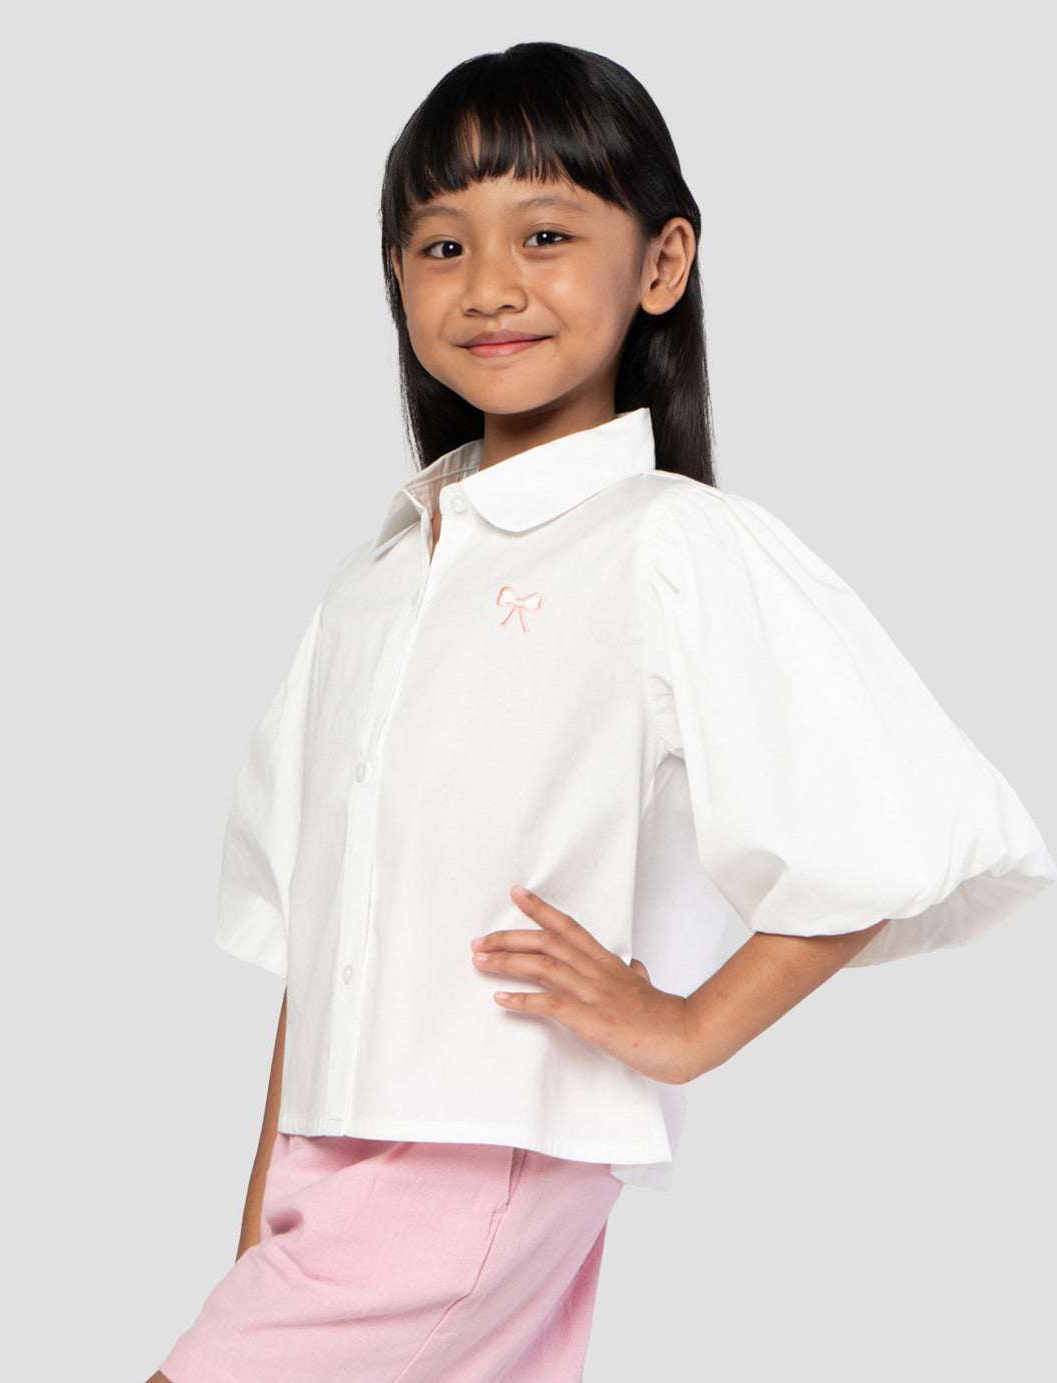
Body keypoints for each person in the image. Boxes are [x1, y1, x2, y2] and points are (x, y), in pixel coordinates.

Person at [148, 40, 1055, 1383]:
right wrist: (257, 1234)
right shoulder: (375, 586)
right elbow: (313, 940)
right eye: (441, 245)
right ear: (395, 275)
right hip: (343, 1163)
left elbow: (895, 826)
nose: (489, 284)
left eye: (547, 233)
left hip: (479, 1153)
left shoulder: (669, 547)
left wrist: (683, 1029)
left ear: (662, 262)